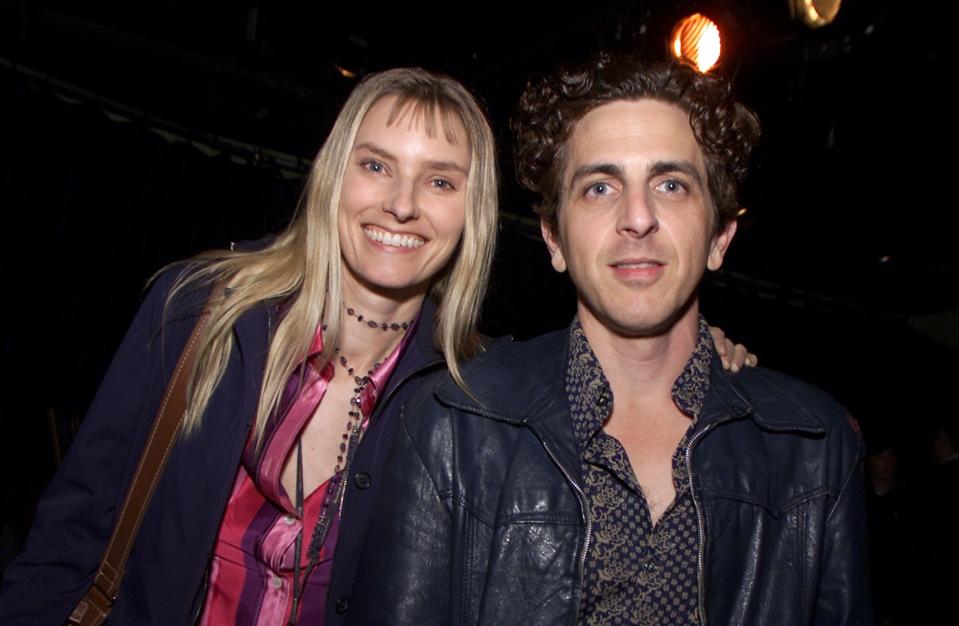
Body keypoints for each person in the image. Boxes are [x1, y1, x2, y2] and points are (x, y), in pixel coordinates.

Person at [0, 66, 752, 625]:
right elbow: (73, 528)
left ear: (472, 212)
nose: (399, 203)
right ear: (335, 175)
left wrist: (700, 349)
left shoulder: (474, 397)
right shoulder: (201, 310)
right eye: (376, 165)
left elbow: (620, 370)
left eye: (439, 182)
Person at [355, 54, 871, 625]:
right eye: (600, 187)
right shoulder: (455, 425)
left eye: (671, 184)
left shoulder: (814, 449)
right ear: (553, 238)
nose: (638, 217)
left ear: (720, 238)